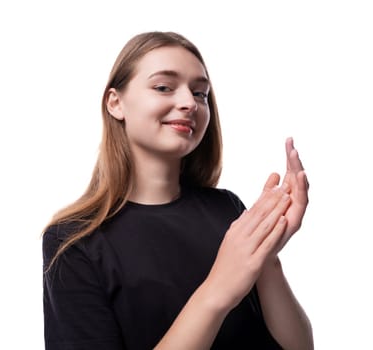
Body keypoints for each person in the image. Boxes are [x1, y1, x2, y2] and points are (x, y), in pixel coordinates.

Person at [42, 31, 313, 350]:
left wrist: (266, 256)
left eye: (200, 93)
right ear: (115, 103)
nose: (189, 103)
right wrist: (218, 289)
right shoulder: (74, 240)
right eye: (163, 87)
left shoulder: (227, 210)